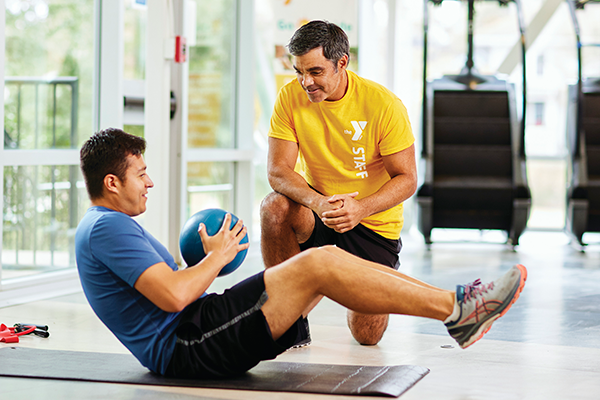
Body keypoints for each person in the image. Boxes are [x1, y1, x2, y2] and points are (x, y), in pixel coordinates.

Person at [75, 128, 527, 379]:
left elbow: (172, 289)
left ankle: (458, 306)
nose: (149, 182)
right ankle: (459, 309)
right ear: (112, 183)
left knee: (324, 260)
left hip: (199, 325)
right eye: (141, 174)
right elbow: (173, 298)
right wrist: (217, 256)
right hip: (186, 345)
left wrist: (202, 266)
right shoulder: (106, 229)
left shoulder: (109, 227)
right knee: (319, 261)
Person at [261, 20, 417, 345]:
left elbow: (407, 179)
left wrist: (361, 208)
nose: (306, 82)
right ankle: (291, 315)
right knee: (274, 207)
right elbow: (278, 171)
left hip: (372, 225)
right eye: (299, 71)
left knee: (367, 336)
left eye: (316, 72)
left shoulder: (383, 105)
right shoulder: (290, 97)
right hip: (321, 212)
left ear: (342, 62)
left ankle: (340, 281)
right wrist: (317, 202)